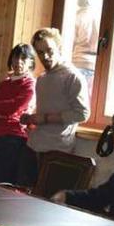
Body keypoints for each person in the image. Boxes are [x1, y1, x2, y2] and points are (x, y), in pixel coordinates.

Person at [18, 28, 90, 187]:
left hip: (57, 152)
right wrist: (31, 118)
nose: (45, 56)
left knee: (48, 203)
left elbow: (82, 114)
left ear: (59, 47)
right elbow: (46, 110)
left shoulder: (73, 77)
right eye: (40, 52)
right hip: (33, 146)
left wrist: (44, 118)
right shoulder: (42, 78)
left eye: (49, 50)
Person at [0, 43, 36, 184]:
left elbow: (15, 107)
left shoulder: (29, 83)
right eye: (15, 58)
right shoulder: (6, 83)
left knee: (3, 182)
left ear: (31, 62)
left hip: (14, 137)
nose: (18, 62)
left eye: (24, 58)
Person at [72, 0, 99, 100]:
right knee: (87, 99)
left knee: (76, 100)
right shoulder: (95, 16)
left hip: (79, 61)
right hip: (92, 63)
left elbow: (77, 39)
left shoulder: (79, 17)